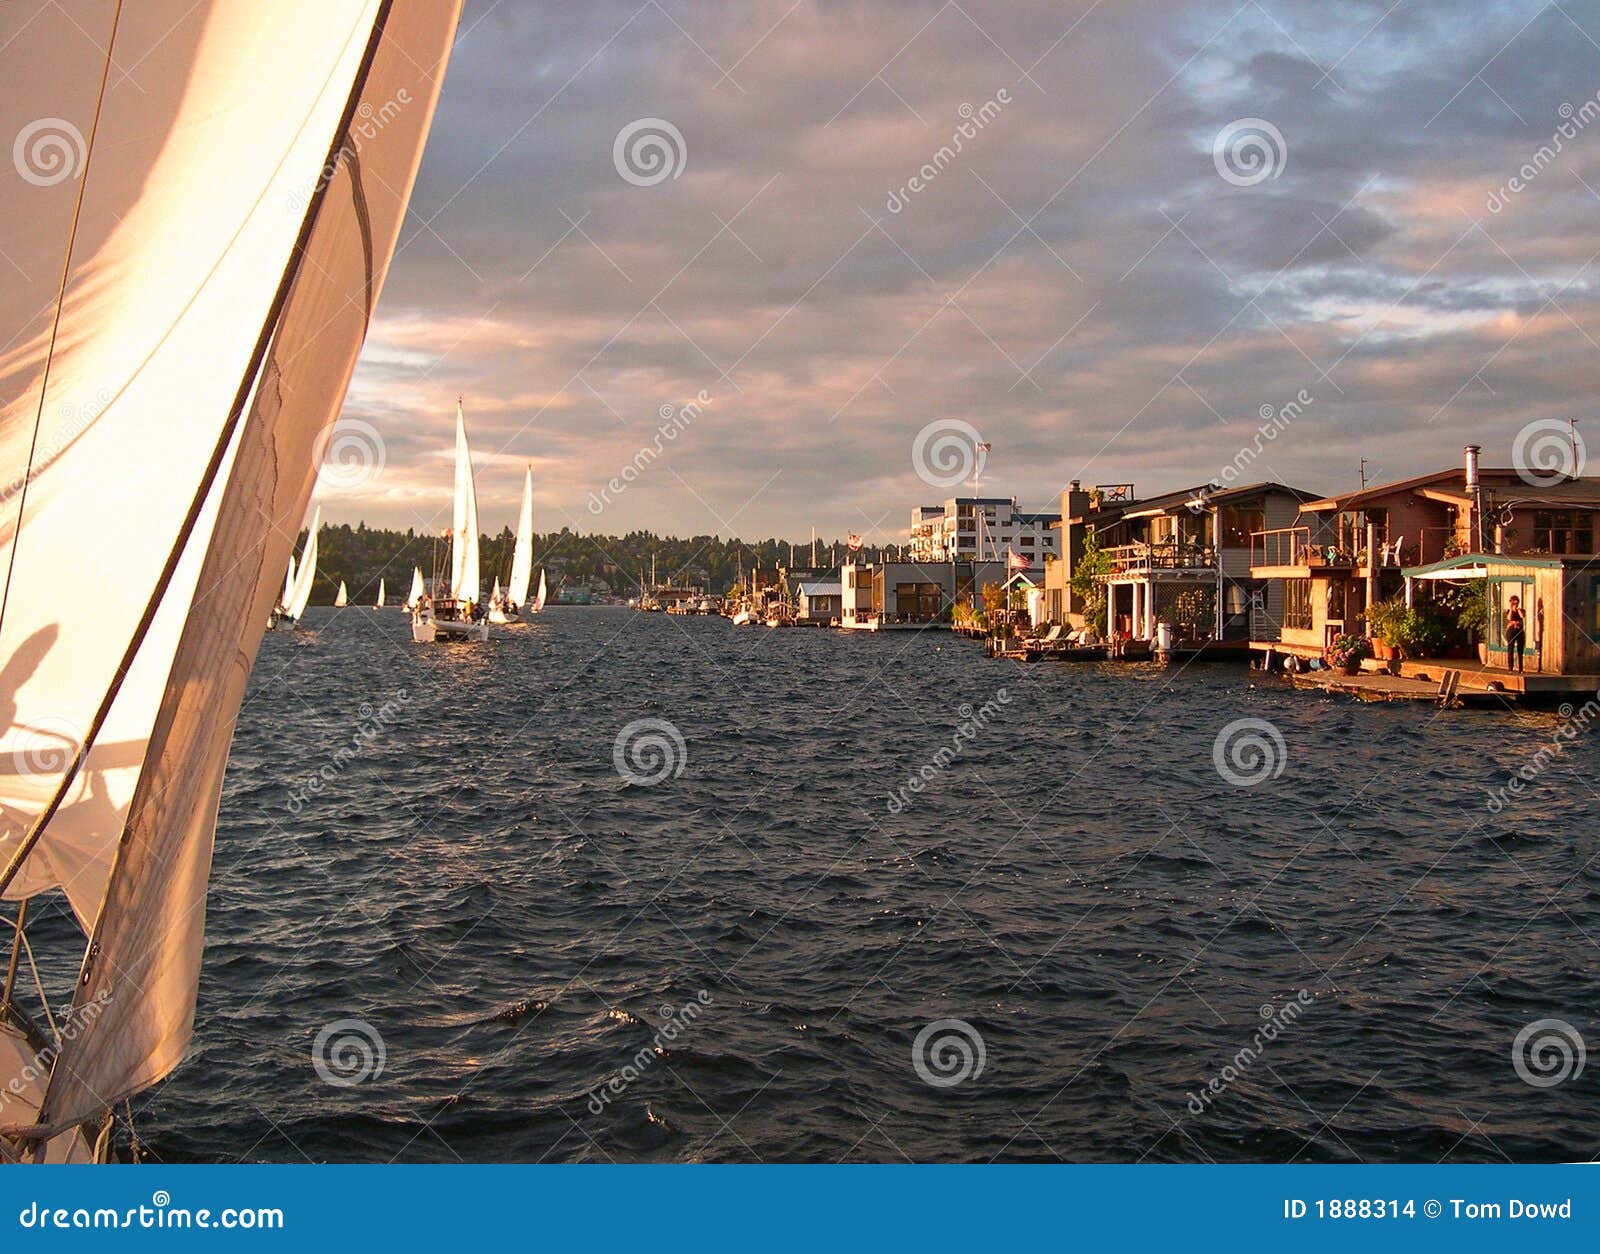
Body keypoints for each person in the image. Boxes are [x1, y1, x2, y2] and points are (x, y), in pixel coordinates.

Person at [1504, 594, 1526, 672]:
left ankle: (1521, 668)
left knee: (1520, 650)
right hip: (1511, 631)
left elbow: (1522, 616)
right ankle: (1510, 668)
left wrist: (1518, 610)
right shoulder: (1508, 611)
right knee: (1510, 649)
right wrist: (1511, 609)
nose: (1515, 604)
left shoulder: (1521, 610)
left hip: (1519, 630)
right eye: (1513, 603)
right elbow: (1509, 618)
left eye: (1516, 603)